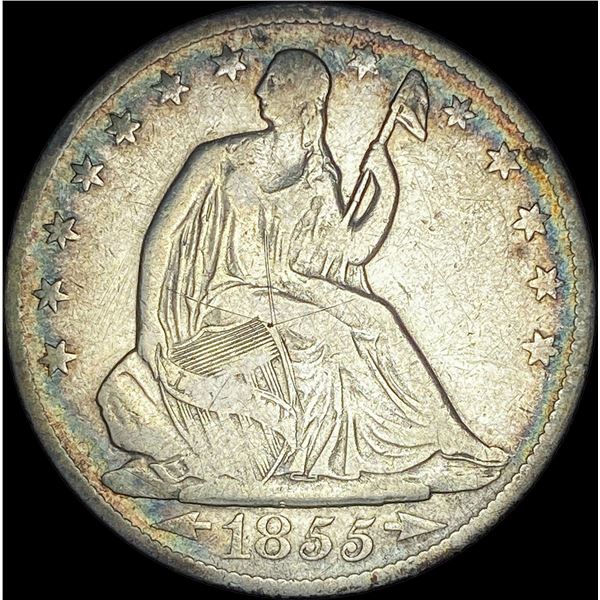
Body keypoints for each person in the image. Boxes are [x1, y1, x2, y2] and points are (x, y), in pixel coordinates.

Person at [98, 49, 507, 499]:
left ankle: (445, 440)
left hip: (289, 288)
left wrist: (385, 184)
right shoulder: (219, 158)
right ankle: (345, 458)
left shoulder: (319, 174)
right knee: (329, 331)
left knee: (378, 317)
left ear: (305, 99)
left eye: (275, 82)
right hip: (226, 297)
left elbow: (351, 252)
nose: (260, 90)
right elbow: (162, 235)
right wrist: (150, 324)